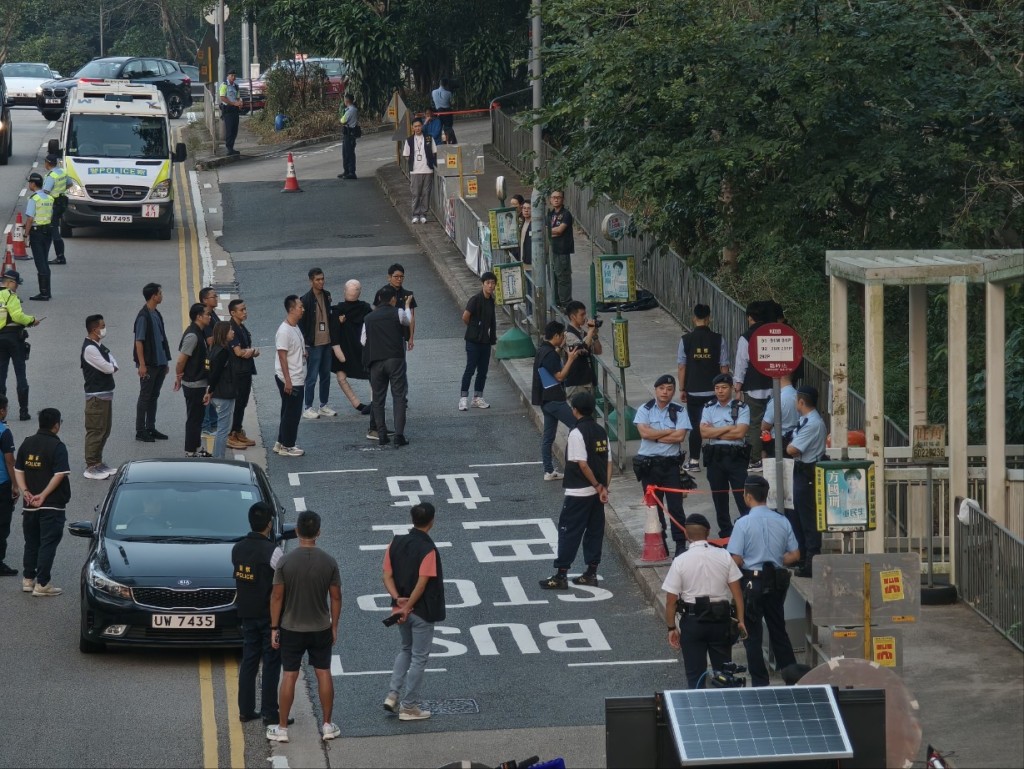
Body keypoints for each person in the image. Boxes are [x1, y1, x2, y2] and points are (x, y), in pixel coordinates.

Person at [268, 510, 342, 743]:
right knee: (323, 672)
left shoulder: (285, 561)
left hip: (291, 627)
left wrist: (274, 628)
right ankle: (328, 725)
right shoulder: (329, 561)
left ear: (297, 531)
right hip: (320, 626)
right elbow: (336, 597)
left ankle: (282, 729)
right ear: (318, 532)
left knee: (289, 675)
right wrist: (334, 626)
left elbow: (277, 597)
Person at [727, 475, 801, 687]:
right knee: (778, 627)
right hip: (776, 580)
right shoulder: (782, 520)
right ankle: (792, 677)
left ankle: (760, 682)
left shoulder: (743, 524)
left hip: (752, 581)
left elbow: (736, 559)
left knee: (751, 633)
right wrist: (777, 559)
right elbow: (795, 554)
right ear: (766, 495)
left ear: (747, 496)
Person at [662, 513, 746, 689]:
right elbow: (738, 593)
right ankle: (725, 712)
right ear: (708, 532)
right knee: (724, 675)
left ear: (686, 534)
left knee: (695, 677)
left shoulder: (680, 561)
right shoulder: (724, 555)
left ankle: (697, 711)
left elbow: (671, 601)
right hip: (720, 621)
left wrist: (671, 627)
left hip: (693, 622)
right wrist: (741, 621)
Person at [539, 392, 611, 590]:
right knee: (594, 531)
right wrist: (604, 487)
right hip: (597, 493)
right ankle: (590, 572)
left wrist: (596, 486)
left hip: (579, 492)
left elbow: (582, 464)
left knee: (569, 532)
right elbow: (609, 462)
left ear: (575, 410)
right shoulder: (601, 431)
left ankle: (561, 575)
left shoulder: (577, 432)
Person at [383, 502, 446, 721]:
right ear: (432, 521)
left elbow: (387, 575)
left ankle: (392, 694)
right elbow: (423, 582)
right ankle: (409, 707)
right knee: (419, 657)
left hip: (399, 611)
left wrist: (398, 601)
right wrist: (409, 606)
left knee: (405, 649)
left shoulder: (395, 542)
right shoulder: (428, 549)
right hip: (421, 611)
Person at [233, 501, 285, 726]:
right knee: (272, 663)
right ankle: (270, 713)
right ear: (270, 524)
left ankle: (245, 710)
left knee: (249, 661)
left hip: (246, 613)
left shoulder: (237, 548)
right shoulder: (273, 551)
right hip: (268, 617)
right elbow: (283, 582)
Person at [633, 375, 690, 558]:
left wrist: (654, 435)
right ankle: (661, 541)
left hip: (671, 466)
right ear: (656, 389)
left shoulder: (680, 411)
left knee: (675, 507)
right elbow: (643, 432)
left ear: (674, 391)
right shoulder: (645, 409)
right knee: (654, 507)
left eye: (669, 389)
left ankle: (680, 543)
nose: (665, 392)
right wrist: (667, 433)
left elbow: (680, 437)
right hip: (649, 466)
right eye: (662, 388)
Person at [15, 407, 70, 597]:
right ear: (56, 425)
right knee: (48, 543)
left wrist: (26, 492)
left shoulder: (27, 443)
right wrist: (44, 495)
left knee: (31, 542)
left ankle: (28, 579)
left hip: (29, 505)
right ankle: (43, 583)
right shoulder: (57, 446)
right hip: (51, 505)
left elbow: (19, 470)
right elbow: (60, 474)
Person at [677, 303, 730, 473]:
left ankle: (693, 461)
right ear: (709, 319)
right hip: (714, 391)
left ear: (694, 319)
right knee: (716, 423)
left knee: (696, 425)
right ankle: (719, 459)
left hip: (693, 390)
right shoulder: (718, 338)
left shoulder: (685, 339)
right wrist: (725, 387)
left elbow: (682, 366)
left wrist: (682, 388)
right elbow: (724, 366)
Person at [530, 321, 583, 481]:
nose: (564, 339)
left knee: (548, 437)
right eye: (562, 336)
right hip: (555, 400)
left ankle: (549, 470)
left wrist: (560, 350)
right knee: (578, 426)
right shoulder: (551, 354)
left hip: (545, 400)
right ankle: (575, 464)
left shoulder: (542, 350)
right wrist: (571, 358)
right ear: (556, 336)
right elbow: (559, 376)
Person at [700, 373, 751, 537]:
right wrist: (729, 428)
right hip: (715, 457)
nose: (720, 391)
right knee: (719, 497)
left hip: (736, 457)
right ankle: (726, 532)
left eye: (723, 388)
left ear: (731, 388)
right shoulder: (708, 407)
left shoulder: (742, 407)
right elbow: (703, 432)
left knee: (742, 496)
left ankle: (747, 530)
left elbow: (740, 433)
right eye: (717, 388)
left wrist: (714, 432)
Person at [362, 287, 413, 447]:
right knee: (399, 396)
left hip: (376, 361)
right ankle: (399, 435)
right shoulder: (397, 312)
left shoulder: (368, 318)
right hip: (395, 359)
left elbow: (363, 340)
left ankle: (382, 434)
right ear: (392, 299)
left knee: (378, 399)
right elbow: (407, 320)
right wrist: (406, 306)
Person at [786, 385, 827, 577]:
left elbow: (792, 449)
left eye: (796, 400)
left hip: (808, 473)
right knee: (799, 517)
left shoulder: (813, 424)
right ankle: (803, 558)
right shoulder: (805, 420)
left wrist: (789, 446)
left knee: (809, 520)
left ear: (801, 402)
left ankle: (812, 563)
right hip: (800, 471)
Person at [733, 301, 774, 470]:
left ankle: (755, 459)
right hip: (774, 385)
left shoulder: (746, 337)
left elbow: (742, 363)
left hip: (753, 386)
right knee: (772, 424)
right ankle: (771, 456)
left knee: (755, 424)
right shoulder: (774, 333)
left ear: (750, 317)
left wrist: (738, 387)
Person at [173, 304, 212, 458]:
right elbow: (181, 360)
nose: (209, 316)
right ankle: (190, 450)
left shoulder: (199, 332)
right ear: (199, 317)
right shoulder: (193, 335)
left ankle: (196, 446)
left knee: (198, 417)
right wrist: (178, 376)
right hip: (194, 383)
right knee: (194, 418)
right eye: (207, 314)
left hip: (199, 382)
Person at [133, 283, 171, 443]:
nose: (162, 296)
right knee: (145, 396)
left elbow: (162, 339)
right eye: (160, 293)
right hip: (149, 364)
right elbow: (139, 341)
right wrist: (142, 365)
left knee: (154, 396)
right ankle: (140, 430)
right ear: (154, 296)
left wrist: (165, 361)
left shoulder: (156, 313)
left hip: (160, 363)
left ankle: (151, 427)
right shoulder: (143, 316)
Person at [81, 314, 117, 480]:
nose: (104, 328)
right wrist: (111, 367)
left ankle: (98, 461)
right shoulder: (90, 348)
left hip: (105, 396)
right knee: (96, 431)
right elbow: (109, 368)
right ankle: (91, 466)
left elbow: (114, 364)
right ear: (94, 329)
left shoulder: (99, 346)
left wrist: (111, 367)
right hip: (96, 398)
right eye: (102, 326)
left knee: (105, 430)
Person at [0, 269, 39, 421]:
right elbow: (17, 316)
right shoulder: (10, 296)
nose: (17, 287)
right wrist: (32, 320)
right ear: (10, 282)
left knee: (1, 375)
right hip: (14, 339)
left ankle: (1, 411)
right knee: (20, 374)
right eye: (16, 284)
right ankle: (24, 411)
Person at [330, 280, 373, 416]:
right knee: (373, 374)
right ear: (359, 293)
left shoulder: (338, 310)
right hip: (363, 348)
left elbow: (332, 331)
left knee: (341, 376)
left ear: (344, 291)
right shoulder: (366, 308)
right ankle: (375, 402)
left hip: (344, 350)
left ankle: (356, 403)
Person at [300, 268, 336, 420]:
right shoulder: (305, 300)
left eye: (322, 279)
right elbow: (301, 325)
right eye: (317, 279)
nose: (321, 282)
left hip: (327, 342)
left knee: (326, 376)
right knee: (312, 377)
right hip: (313, 344)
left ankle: (323, 405)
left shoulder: (327, 295)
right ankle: (308, 407)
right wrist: (304, 346)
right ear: (311, 281)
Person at [274, 296, 307, 458]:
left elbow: (296, 345)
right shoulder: (284, 331)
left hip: (295, 376)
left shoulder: (294, 326)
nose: (303, 309)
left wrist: (303, 353)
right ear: (292, 309)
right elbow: (282, 356)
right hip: (291, 378)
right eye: (300, 306)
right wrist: (288, 380)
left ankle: (281, 442)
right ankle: (288, 446)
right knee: (293, 414)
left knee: (287, 411)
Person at [459, 271, 497, 411]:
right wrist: (475, 328)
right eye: (488, 283)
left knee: (483, 370)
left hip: (485, 341)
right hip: (473, 341)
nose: (490, 286)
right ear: (483, 284)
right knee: (470, 368)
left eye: (493, 283)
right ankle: (463, 398)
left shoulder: (491, 301)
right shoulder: (475, 299)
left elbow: (492, 321)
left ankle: (477, 397)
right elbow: (465, 317)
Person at [228, 299, 260, 449]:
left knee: (243, 402)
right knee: (238, 403)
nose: (245, 312)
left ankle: (238, 430)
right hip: (237, 371)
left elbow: (245, 350)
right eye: (241, 310)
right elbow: (239, 352)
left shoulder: (242, 327)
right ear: (233, 313)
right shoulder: (232, 329)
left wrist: (250, 352)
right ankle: (232, 433)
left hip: (245, 370)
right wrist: (252, 351)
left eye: (245, 309)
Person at [205, 321, 237, 459]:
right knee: (223, 429)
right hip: (224, 393)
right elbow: (216, 373)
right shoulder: (223, 352)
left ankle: (218, 457)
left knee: (221, 428)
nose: (233, 332)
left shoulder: (213, 348)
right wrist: (210, 391)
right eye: (230, 330)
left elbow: (208, 369)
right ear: (224, 333)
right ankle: (219, 458)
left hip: (217, 392)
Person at [373, 263, 417, 351]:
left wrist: (411, 337)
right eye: (396, 277)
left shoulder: (408, 295)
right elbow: (375, 314)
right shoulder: (381, 293)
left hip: (401, 336)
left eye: (401, 277)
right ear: (389, 277)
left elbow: (411, 317)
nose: (399, 279)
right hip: (384, 335)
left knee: (400, 361)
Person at [562, 301, 602, 399]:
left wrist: (595, 335)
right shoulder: (568, 334)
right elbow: (583, 348)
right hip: (576, 384)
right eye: (582, 314)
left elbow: (598, 351)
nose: (585, 317)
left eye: (585, 314)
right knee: (579, 413)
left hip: (588, 381)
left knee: (588, 413)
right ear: (572, 317)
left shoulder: (583, 333)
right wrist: (590, 331)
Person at [23, 172, 53, 301]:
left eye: (30, 182)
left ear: (33, 184)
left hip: (37, 232)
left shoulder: (34, 198)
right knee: (44, 261)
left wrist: (26, 234)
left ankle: (44, 293)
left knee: (40, 263)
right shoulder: (49, 198)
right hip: (48, 231)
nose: (29, 184)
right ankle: (48, 291)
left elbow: (30, 218)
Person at [403, 118, 437, 224]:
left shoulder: (429, 138)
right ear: (412, 128)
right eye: (415, 126)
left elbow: (434, 152)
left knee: (426, 193)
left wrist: (429, 162)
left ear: (422, 126)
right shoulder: (409, 140)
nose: (417, 128)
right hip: (415, 171)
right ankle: (415, 214)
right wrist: (414, 163)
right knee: (416, 193)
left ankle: (423, 214)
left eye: (419, 126)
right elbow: (406, 155)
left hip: (427, 170)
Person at [0, 396, 19, 576]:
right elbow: (9, 461)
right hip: (2, 484)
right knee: (2, 523)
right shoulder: (4, 432)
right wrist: (16, 485)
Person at [199, 287, 221, 439]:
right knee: (207, 390)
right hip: (208, 359)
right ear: (205, 300)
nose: (216, 298)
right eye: (213, 296)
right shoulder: (206, 316)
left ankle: (213, 421)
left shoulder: (212, 314)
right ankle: (205, 425)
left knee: (211, 390)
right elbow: (210, 340)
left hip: (214, 358)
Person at [760, 372, 798, 458]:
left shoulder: (777, 399)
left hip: (778, 442)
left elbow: (764, 426)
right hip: (797, 442)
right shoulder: (799, 396)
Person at [547, 191, 575, 308]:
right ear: (550, 199)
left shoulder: (566, 214)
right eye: (554, 197)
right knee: (552, 277)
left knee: (563, 277)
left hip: (562, 251)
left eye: (558, 197)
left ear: (563, 199)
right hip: (551, 250)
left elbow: (560, 230)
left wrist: (549, 231)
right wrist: (551, 232)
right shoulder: (550, 214)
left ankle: (566, 304)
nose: (556, 199)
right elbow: (547, 231)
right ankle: (556, 302)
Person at [42, 154, 68, 266]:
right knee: (54, 227)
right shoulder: (62, 172)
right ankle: (59, 256)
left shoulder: (51, 176)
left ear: (47, 163)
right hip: (62, 202)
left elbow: (46, 192)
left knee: (54, 230)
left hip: (54, 204)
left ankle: (60, 257)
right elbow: (70, 184)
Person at [219, 69, 242, 155]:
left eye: (234, 75)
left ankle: (232, 147)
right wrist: (233, 103)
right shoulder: (224, 85)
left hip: (235, 110)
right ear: (228, 76)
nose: (233, 77)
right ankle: (229, 148)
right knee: (229, 129)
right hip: (228, 109)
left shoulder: (236, 86)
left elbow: (238, 97)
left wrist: (239, 103)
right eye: (231, 75)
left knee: (234, 130)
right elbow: (222, 97)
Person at [338, 93, 359, 179]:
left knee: (349, 153)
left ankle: (351, 172)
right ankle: (346, 171)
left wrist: (341, 118)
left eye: (344, 100)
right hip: (348, 134)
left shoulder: (350, 110)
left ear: (347, 101)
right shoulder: (351, 109)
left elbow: (343, 120)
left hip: (350, 134)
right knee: (345, 153)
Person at [430, 78, 456, 143]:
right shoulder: (449, 93)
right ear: (446, 85)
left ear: (440, 83)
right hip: (447, 112)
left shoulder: (433, 92)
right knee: (448, 128)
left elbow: (433, 102)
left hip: (438, 112)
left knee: (438, 128)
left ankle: (440, 141)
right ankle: (451, 141)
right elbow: (453, 103)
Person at [518, 201, 533, 268]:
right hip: (522, 258)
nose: (526, 210)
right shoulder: (522, 223)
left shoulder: (534, 224)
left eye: (529, 208)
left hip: (531, 260)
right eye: (524, 208)